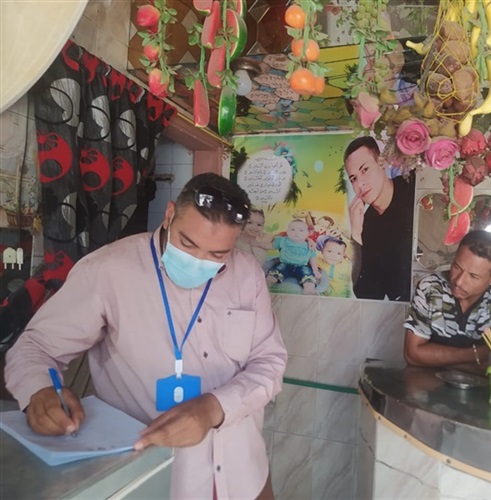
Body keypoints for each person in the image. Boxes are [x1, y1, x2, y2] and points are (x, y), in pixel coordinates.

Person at [4, 173, 288, 500]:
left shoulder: (247, 274)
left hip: (242, 471)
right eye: (188, 243)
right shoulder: (109, 269)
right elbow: (36, 346)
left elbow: (269, 361)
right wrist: (39, 389)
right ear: (169, 214)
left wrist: (213, 408)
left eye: (217, 255)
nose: (198, 261)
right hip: (151, 476)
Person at [403, 230, 491, 373]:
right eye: (457, 267)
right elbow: (412, 355)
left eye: (473, 276)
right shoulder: (431, 287)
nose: (459, 282)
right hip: (428, 383)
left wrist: (437, 360)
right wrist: (480, 354)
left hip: (486, 387)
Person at [344, 136, 415, 301]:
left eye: (364, 170)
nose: (360, 184)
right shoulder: (367, 225)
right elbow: (368, 295)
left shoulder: (412, 187)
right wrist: (356, 234)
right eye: (353, 178)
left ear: (381, 163)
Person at [266, 218, 321, 295]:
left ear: (307, 234)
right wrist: (258, 244)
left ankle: (308, 289)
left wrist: (315, 270)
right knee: (275, 272)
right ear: (287, 232)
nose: (296, 232)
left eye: (301, 230)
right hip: (285, 264)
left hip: (302, 266)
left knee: (308, 276)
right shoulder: (283, 240)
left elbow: (312, 258)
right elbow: (271, 246)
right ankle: (267, 284)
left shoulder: (309, 245)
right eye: (292, 230)